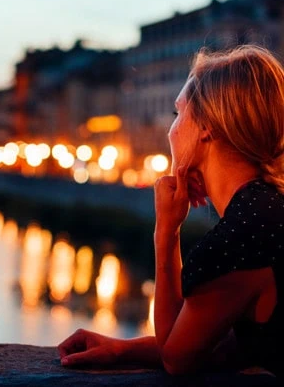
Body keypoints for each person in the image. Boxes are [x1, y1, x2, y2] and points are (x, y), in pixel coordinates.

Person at [58, 44, 284, 376]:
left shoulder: (244, 236)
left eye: (178, 114)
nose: (170, 129)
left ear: (208, 126)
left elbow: (176, 358)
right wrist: (123, 348)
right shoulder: (266, 210)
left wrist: (166, 230)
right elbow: (216, 343)